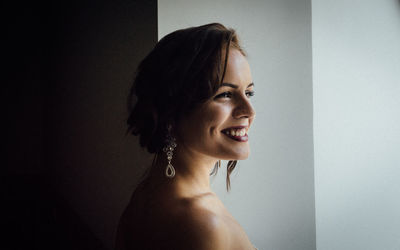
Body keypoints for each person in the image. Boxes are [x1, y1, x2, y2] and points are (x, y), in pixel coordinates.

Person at [115, 23, 257, 250]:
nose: (249, 112)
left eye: (249, 92)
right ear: (173, 110)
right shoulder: (200, 226)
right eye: (226, 94)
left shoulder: (147, 195)